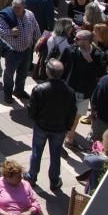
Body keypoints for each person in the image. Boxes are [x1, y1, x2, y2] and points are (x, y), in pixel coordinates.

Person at [25, 59, 77, 191]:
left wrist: (35, 119)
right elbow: (72, 111)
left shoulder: (39, 89)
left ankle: (32, 177)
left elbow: (32, 109)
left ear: (48, 72)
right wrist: (67, 127)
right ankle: (54, 180)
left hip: (42, 126)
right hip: (59, 128)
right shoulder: (69, 91)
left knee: (37, 152)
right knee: (55, 154)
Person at [0, 0, 42, 102]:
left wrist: (39, 39)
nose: (15, 10)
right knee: (9, 74)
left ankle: (19, 91)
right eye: (14, 7)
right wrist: (10, 32)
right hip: (13, 52)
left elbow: (35, 26)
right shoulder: (7, 17)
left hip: (27, 50)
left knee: (23, 73)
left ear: (24, 7)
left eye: (18, 8)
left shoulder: (29, 14)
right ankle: (8, 94)